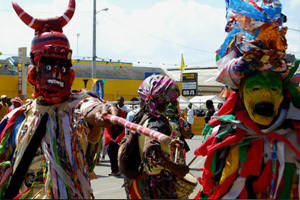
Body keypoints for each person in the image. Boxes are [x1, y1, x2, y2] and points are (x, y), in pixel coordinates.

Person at [0, 1, 118, 198]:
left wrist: (98, 118)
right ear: (33, 70)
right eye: (48, 65)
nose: (55, 73)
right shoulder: (16, 119)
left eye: (62, 66)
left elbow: (90, 112)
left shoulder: (77, 109)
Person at [194, 1, 300, 199]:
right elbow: (226, 72)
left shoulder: (294, 130)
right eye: (257, 88)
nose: (266, 95)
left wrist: (273, 60)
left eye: (273, 88)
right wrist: (246, 62)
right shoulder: (235, 44)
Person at [123, 74, 189, 199]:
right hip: (155, 184)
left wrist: (168, 145)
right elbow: (151, 150)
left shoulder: (143, 117)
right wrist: (176, 168)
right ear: (165, 101)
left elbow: (145, 142)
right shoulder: (158, 122)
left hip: (140, 180)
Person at [104, 105, 126, 176]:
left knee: (119, 154)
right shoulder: (109, 115)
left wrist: (119, 139)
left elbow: (124, 129)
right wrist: (110, 138)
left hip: (120, 138)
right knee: (111, 153)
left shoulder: (124, 114)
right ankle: (114, 170)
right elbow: (107, 129)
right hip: (112, 138)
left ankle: (120, 169)